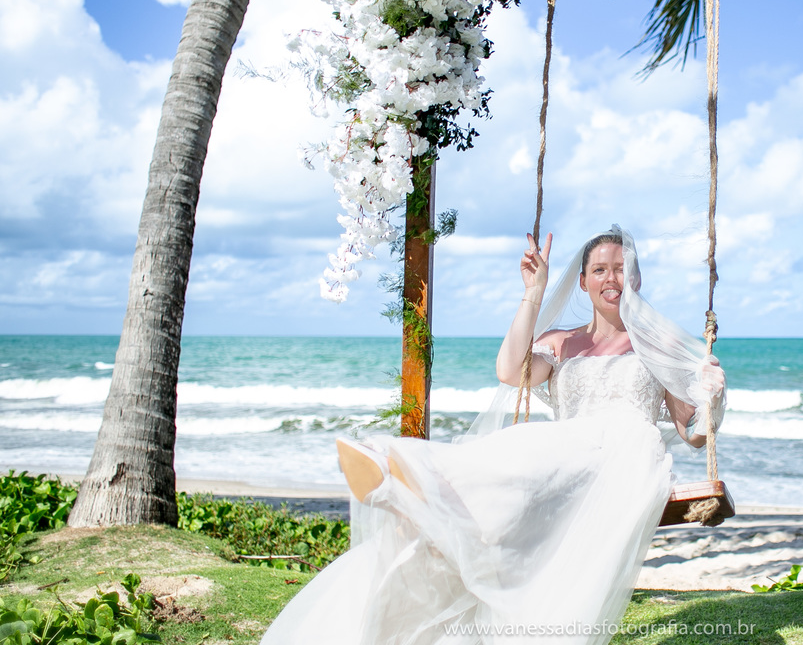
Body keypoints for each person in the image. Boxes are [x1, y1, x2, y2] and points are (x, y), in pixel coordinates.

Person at [261, 226, 726, 645]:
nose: (610, 279)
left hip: (625, 451)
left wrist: (712, 401)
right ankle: (412, 486)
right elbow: (509, 370)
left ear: (636, 279)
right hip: (569, 446)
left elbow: (692, 433)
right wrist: (534, 292)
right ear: (582, 281)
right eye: (599, 269)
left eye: (621, 270)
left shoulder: (656, 346)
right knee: (511, 459)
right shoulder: (562, 342)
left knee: (527, 465)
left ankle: (410, 482)